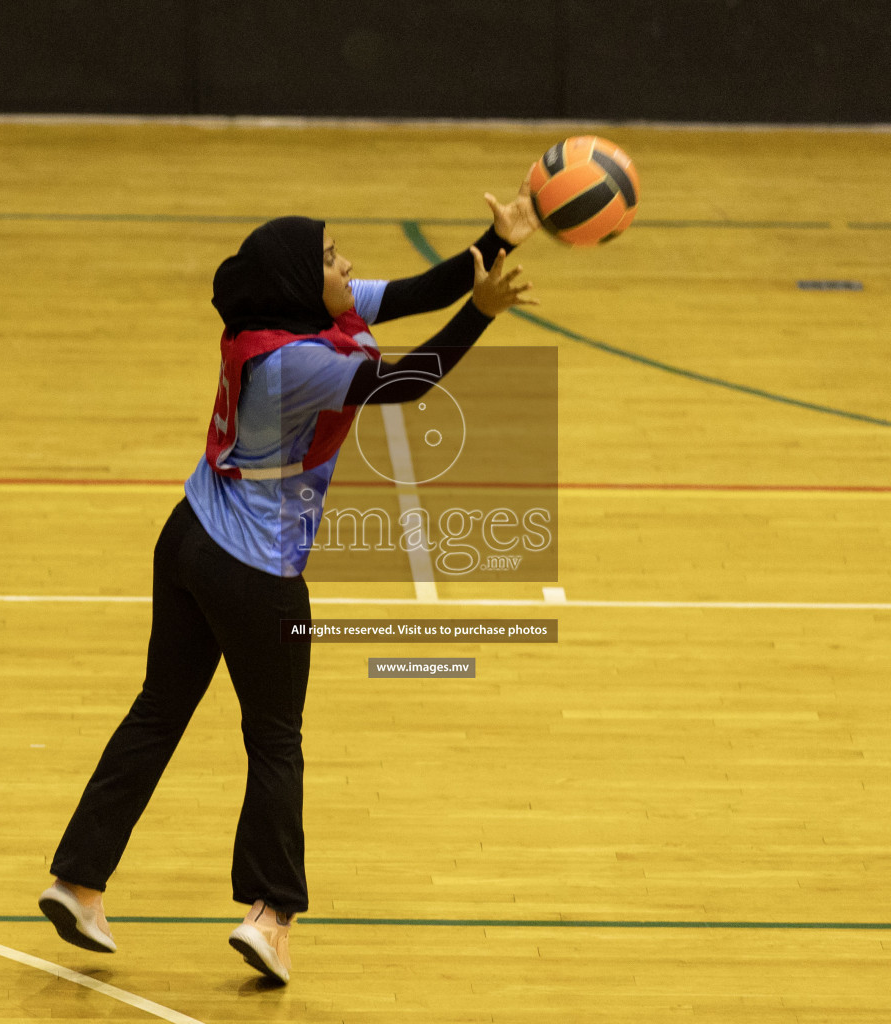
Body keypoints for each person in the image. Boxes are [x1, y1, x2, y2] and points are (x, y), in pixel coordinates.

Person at [36, 182, 540, 986]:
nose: (350, 266)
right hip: (254, 574)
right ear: (308, 284)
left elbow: (416, 291)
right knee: (274, 738)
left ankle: (76, 881)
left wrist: (497, 239)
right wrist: (483, 312)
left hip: (188, 537)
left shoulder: (285, 317)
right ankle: (270, 917)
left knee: (159, 709)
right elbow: (408, 385)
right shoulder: (299, 364)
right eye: (335, 258)